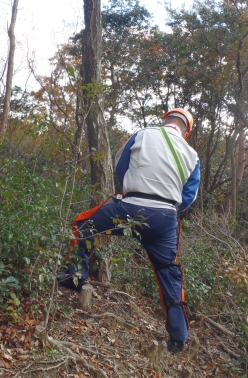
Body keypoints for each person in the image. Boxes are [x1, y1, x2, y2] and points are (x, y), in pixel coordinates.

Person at [58, 108, 201, 354]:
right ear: (186, 131)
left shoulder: (143, 134)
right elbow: (188, 197)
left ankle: (75, 278)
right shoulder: (192, 155)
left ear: (164, 120)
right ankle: (178, 337)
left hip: (129, 209)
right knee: (169, 270)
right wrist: (166, 207)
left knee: (83, 225)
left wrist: (133, 188)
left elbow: (120, 165)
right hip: (165, 219)